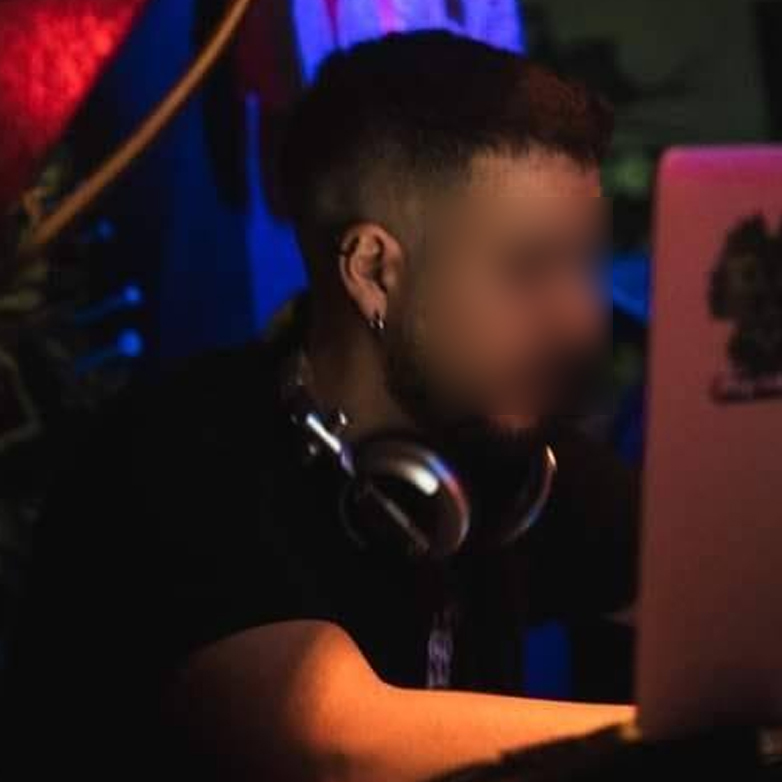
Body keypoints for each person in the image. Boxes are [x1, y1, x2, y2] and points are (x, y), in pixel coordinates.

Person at [2, 30, 639, 782]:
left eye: (582, 263)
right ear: (373, 270)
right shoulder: (175, 462)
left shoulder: (502, 451)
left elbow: (713, 590)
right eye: (528, 269)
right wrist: (661, 728)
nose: (581, 318)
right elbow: (332, 741)